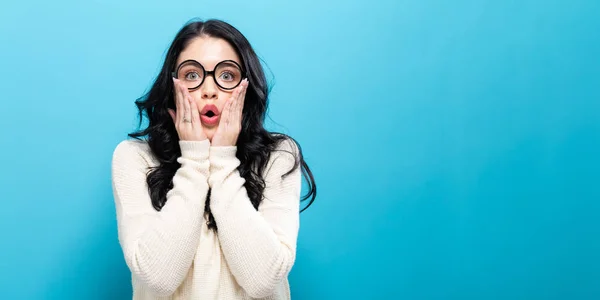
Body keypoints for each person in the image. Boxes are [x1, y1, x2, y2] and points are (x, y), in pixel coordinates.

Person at [110, 18, 317, 300]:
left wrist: (222, 160)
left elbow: (263, 281)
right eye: (192, 75)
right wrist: (194, 159)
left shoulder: (278, 155)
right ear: (172, 86)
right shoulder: (134, 158)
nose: (210, 90)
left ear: (247, 86)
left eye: (227, 76)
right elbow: (158, 279)